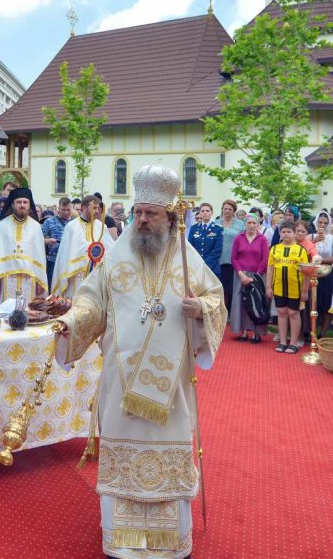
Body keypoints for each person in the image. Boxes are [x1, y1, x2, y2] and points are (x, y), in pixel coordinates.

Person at [53, 165, 224, 559]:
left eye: (152, 213)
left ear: (170, 216)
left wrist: (201, 307)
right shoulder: (116, 256)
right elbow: (91, 301)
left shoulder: (186, 255)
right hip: (121, 378)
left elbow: (217, 299)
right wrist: (71, 322)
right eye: (139, 212)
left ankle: (170, 539)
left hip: (171, 383)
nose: (143, 220)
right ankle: (123, 540)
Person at [0, 188, 47, 304]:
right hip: (6, 278)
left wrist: (41, 281)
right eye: (18, 202)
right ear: (12, 205)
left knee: (28, 313)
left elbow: (40, 256)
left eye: (25, 202)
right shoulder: (2, 226)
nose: (22, 205)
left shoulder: (36, 227)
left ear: (29, 205)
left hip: (30, 278)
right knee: (6, 313)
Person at [50, 194, 114, 299]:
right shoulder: (71, 227)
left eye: (98, 208)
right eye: (94, 208)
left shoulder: (102, 226)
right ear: (84, 208)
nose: (97, 211)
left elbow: (110, 250)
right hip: (75, 277)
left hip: (96, 276)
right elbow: (64, 256)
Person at [266, 221, 314, 354]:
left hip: (295, 288)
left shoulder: (300, 250)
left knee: (293, 313)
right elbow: (270, 269)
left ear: (294, 233)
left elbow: (306, 272)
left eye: (289, 232)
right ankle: (282, 341)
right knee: (281, 312)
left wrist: (304, 290)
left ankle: (293, 342)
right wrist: (268, 287)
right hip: (279, 287)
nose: (286, 234)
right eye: (283, 232)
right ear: (280, 233)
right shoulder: (275, 249)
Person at [230, 214, 268, 343]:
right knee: (241, 303)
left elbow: (265, 259)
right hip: (240, 275)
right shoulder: (238, 238)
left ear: (257, 224)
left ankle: (256, 333)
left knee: (256, 303)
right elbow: (234, 258)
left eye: (254, 223)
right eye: (249, 223)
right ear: (244, 224)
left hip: (257, 275)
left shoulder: (262, 239)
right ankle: (244, 331)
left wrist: (255, 277)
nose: (251, 225)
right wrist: (241, 274)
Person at [186, 203, 222, 277]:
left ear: (212, 213)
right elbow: (190, 247)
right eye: (202, 211)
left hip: (212, 267)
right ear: (200, 213)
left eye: (207, 211)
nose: (205, 213)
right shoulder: (194, 228)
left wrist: (206, 264)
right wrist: (198, 263)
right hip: (196, 266)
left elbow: (217, 250)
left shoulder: (218, 228)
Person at [217, 199, 242, 304]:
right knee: (221, 289)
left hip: (234, 261)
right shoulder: (215, 223)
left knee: (232, 289)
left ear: (234, 211)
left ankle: (232, 314)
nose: (227, 211)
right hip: (218, 260)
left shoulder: (240, 224)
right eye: (225, 209)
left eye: (230, 209)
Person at [41, 197, 71, 285]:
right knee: (53, 286)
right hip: (53, 260)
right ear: (58, 209)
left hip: (69, 260)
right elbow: (39, 239)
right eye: (63, 210)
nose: (66, 212)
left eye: (68, 210)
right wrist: (48, 241)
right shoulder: (49, 222)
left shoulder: (75, 222)